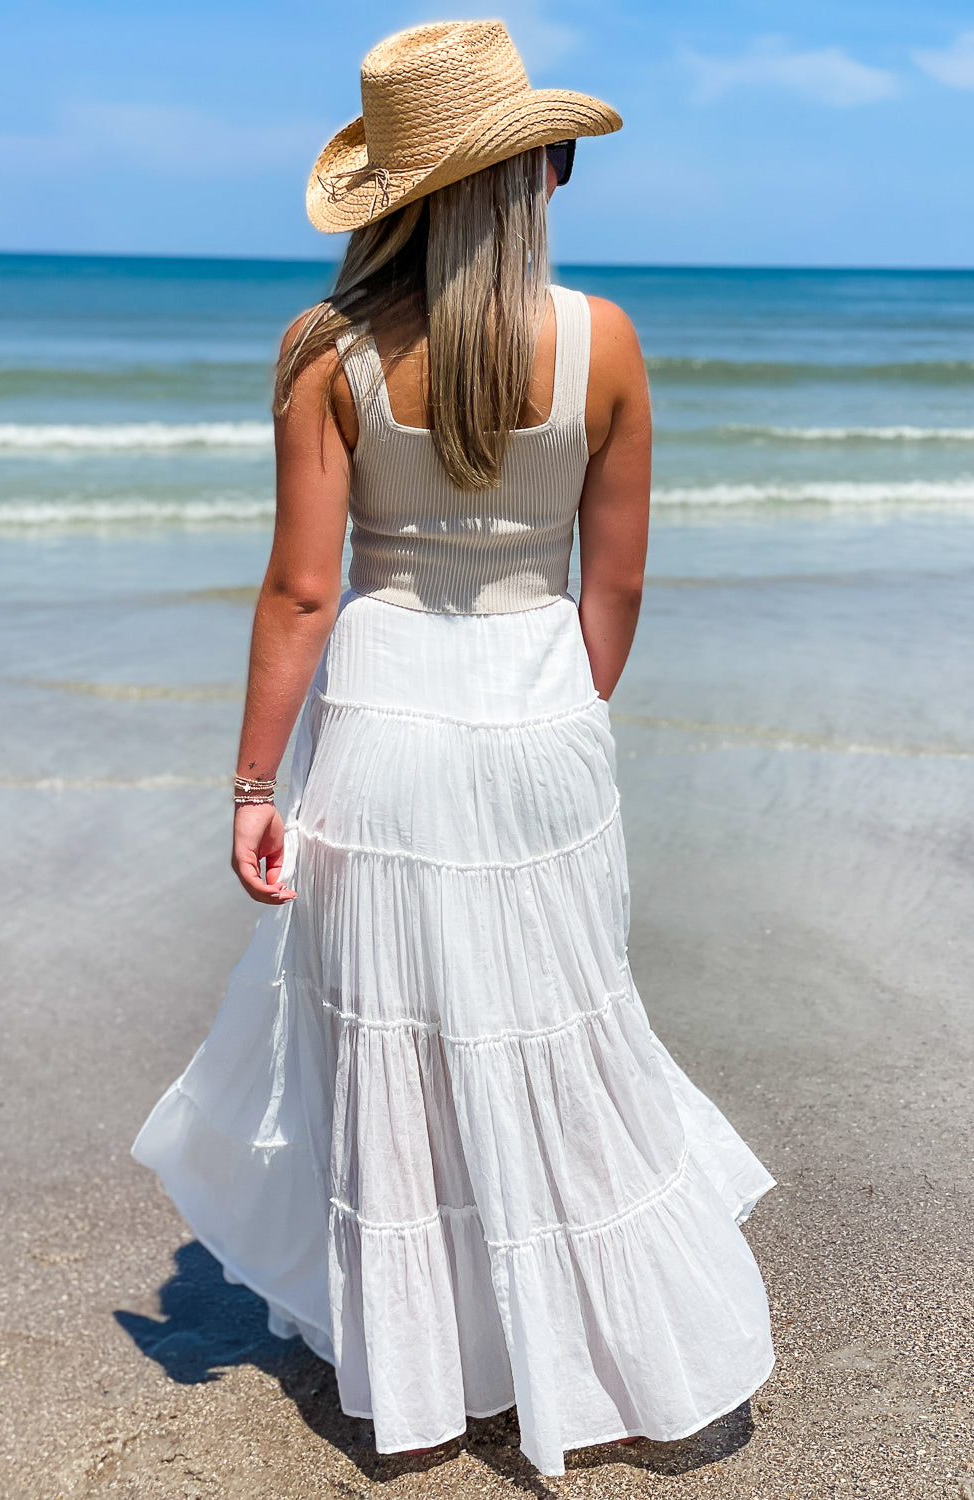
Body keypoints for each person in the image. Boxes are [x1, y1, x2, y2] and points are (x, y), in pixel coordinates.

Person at [132, 20, 775, 1479]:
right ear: (536, 171)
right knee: (552, 1021)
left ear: (397, 197)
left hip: (385, 715)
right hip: (539, 712)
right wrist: (559, 708)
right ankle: (598, 1350)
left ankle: (430, 1371)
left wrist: (250, 786)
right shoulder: (602, 342)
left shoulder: (328, 353)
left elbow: (304, 590)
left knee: (402, 1044)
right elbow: (612, 584)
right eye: (554, 155)